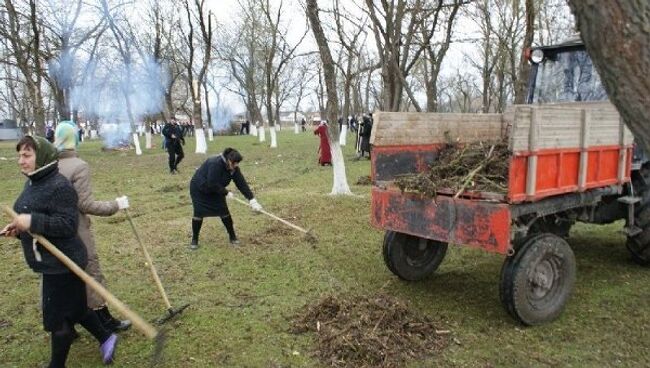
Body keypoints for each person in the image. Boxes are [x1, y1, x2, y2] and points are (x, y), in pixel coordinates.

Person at [1, 136, 118, 367]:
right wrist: (19, 228)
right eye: (19, 156)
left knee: (59, 321)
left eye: (26, 155)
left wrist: (32, 221)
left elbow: (66, 225)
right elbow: (35, 219)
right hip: (50, 261)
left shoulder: (60, 186)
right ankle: (106, 336)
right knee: (76, 309)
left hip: (64, 263)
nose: (20, 161)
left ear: (41, 156)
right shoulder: (34, 181)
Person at [54, 122, 132, 333]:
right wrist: (116, 204)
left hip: (52, 231)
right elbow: (85, 204)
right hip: (75, 230)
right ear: (75, 138)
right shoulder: (79, 166)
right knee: (90, 271)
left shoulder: (48, 163)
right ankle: (105, 321)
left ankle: (66, 325)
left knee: (63, 275)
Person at [189, 147, 263, 249]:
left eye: (237, 163)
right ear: (228, 160)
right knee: (198, 213)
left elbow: (241, 184)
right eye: (234, 163)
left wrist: (252, 200)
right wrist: (226, 192)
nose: (235, 166)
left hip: (216, 189)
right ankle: (194, 239)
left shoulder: (234, 168)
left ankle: (232, 237)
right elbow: (212, 183)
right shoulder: (214, 164)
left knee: (224, 212)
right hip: (200, 189)